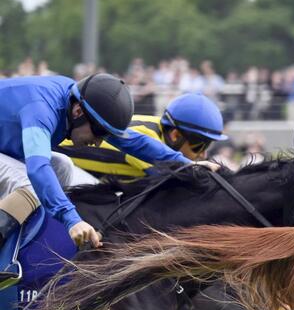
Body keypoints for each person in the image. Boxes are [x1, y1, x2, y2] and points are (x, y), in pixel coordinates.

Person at [0, 74, 197, 283]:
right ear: (78, 112)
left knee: (63, 166)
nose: (98, 143)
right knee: (30, 181)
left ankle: (24, 252)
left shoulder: (81, 104)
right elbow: (37, 169)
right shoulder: (41, 110)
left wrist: (187, 164)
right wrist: (72, 220)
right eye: (99, 134)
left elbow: (134, 142)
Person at [58, 91, 228, 180]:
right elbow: (172, 182)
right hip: (55, 164)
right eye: (200, 145)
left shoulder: (160, 127)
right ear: (176, 135)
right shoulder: (148, 135)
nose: (204, 154)